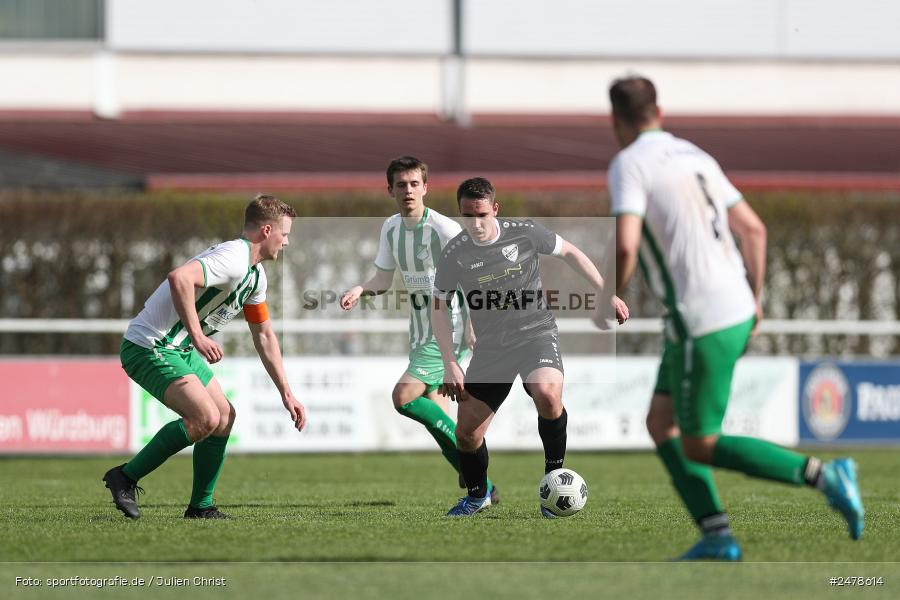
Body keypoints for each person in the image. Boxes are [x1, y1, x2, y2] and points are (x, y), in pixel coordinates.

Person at [605, 75, 864, 559]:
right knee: (662, 423)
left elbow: (625, 243)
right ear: (659, 110)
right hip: (735, 306)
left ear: (615, 121)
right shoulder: (695, 155)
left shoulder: (628, 164)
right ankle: (717, 536)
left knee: (699, 442)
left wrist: (609, 293)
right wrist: (756, 299)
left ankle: (824, 475)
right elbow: (754, 229)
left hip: (698, 316)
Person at [433, 177, 628, 517]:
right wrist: (450, 361)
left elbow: (569, 251)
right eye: (467, 216)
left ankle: (554, 475)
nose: (475, 224)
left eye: (481, 214)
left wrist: (604, 290)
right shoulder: (455, 254)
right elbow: (439, 307)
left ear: (495, 209)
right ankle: (478, 496)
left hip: (535, 333)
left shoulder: (523, 232)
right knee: (466, 435)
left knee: (548, 394)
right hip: (492, 348)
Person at [103, 194, 306, 520]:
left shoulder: (255, 276)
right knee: (205, 419)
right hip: (150, 345)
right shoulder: (234, 257)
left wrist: (287, 392)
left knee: (224, 418)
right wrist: (198, 336)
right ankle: (124, 477)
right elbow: (179, 278)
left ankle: (201, 507)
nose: (286, 243)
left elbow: (265, 336)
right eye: (285, 235)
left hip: (177, 348)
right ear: (267, 231)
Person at [339, 156, 498, 502]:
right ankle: (475, 477)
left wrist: (472, 323)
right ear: (390, 190)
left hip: (449, 329)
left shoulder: (443, 229)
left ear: (425, 187)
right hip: (420, 331)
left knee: (403, 397)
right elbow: (383, 278)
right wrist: (361, 289)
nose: (408, 190)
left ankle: (475, 476)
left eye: (414, 184)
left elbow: (474, 277)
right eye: (401, 185)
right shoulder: (391, 228)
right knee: (435, 412)